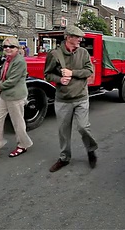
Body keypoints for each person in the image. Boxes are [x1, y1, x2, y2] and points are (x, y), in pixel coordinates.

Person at [44, 25, 98, 172]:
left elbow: (89, 71)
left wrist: (71, 72)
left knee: (83, 127)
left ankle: (91, 150)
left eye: (81, 37)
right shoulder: (54, 54)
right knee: (63, 131)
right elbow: (47, 74)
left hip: (81, 97)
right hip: (62, 99)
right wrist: (60, 80)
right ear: (68, 37)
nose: (80, 39)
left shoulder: (83, 52)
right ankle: (64, 158)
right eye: (77, 37)